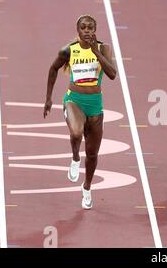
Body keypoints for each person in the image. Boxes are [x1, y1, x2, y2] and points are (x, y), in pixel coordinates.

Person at [43, 15, 117, 208]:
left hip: (95, 104)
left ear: (95, 30)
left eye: (90, 27)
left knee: (92, 155)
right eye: (83, 28)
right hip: (74, 100)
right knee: (76, 132)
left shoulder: (103, 48)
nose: (87, 31)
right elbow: (53, 69)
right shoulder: (68, 50)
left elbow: (112, 74)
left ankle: (87, 187)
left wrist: (95, 52)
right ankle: (75, 158)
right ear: (78, 31)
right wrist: (48, 98)